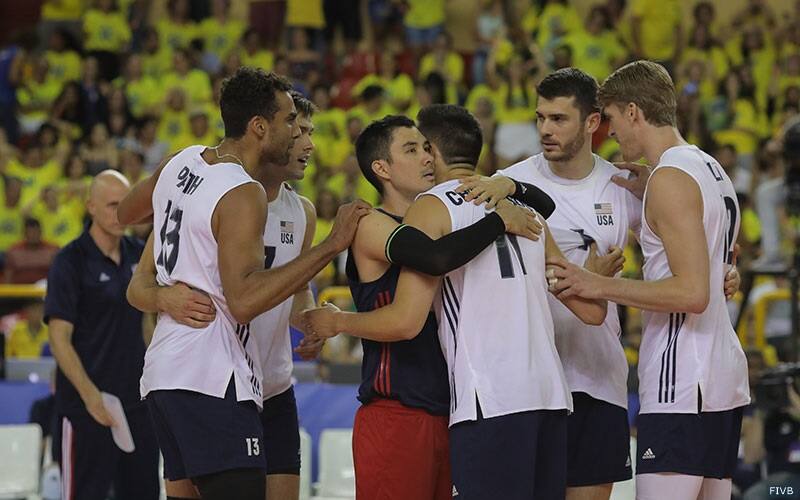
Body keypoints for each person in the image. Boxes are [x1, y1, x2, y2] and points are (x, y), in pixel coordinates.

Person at [458, 67, 745, 500]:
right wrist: (722, 268)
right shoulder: (510, 183)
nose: (545, 129)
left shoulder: (630, 182)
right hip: (530, 384)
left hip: (619, 379)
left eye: (559, 119)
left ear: (599, 119)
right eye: (540, 118)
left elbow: (692, 284)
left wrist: (591, 282)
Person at [303, 104, 608, 499]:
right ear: (382, 169)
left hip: (467, 403)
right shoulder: (376, 222)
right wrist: (507, 206)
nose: (426, 158)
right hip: (410, 408)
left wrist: (509, 194)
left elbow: (432, 271)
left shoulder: (442, 210)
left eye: (425, 147)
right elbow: (431, 265)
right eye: (412, 150)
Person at [117, 68, 368, 500]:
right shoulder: (241, 190)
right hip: (212, 371)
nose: (298, 136)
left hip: (172, 372)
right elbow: (244, 300)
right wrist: (333, 246)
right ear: (258, 127)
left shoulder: (183, 161)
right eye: (291, 122)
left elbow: (126, 212)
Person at [549, 60, 750, 500]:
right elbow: (720, 267)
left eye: (616, 119)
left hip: (682, 382)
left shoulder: (671, 179)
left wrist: (595, 284)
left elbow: (691, 293)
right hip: (721, 380)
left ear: (635, 111)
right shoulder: (710, 169)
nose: (613, 134)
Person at [44, 170, 160, 500]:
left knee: (144, 492)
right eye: (112, 205)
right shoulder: (70, 261)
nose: (120, 213)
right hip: (86, 407)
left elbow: (149, 325)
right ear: (90, 206)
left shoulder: (140, 255)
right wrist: (90, 395)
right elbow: (59, 338)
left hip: (136, 405)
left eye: (125, 205)